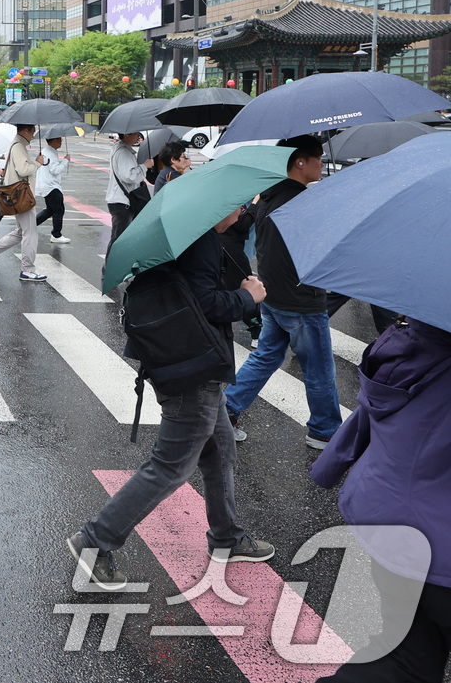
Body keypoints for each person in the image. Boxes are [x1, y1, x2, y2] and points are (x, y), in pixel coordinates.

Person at [67, 206, 274, 590]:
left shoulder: (195, 238)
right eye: (241, 204)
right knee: (171, 467)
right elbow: (207, 304)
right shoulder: (202, 244)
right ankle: (95, 540)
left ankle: (227, 535)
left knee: (219, 451)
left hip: (186, 363)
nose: (244, 210)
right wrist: (248, 298)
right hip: (191, 370)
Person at [311, 317, 451, 682]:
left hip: (389, 525)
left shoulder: (416, 344)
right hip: (443, 546)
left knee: (403, 655)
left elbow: (366, 421)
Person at [225, 136, 341, 449]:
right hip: (301, 300)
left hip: (274, 295)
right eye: (318, 157)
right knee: (318, 368)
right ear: (300, 162)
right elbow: (316, 249)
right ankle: (325, 429)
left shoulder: (270, 196)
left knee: (266, 357)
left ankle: (227, 409)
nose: (321, 163)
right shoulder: (300, 202)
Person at [0, 124, 49, 283]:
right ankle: (28, 269)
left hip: (18, 195)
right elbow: (23, 170)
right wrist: (38, 163)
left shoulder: (17, 145)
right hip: (22, 196)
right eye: (32, 132)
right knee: (30, 233)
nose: (33, 136)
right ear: (25, 131)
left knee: (21, 231)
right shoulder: (18, 146)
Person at [106, 131, 151, 257]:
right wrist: (145, 166)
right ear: (126, 135)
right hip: (122, 202)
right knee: (118, 240)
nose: (138, 136)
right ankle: (109, 273)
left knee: (119, 239)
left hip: (120, 200)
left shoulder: (120, 149)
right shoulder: (123, 152)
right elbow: (129, 176)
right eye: (136, 133)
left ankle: (114, 271)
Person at [33, 135, 71, 244]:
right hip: (51, 186)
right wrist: (65, 161)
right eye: (60, 140)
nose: (61, 142)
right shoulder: (51, 153)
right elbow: (55, 170)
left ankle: (30, 226)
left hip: (46, 185)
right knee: (59, 210)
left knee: (51, 210)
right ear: (54, 140)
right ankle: (56, 234)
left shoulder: (46, 151)